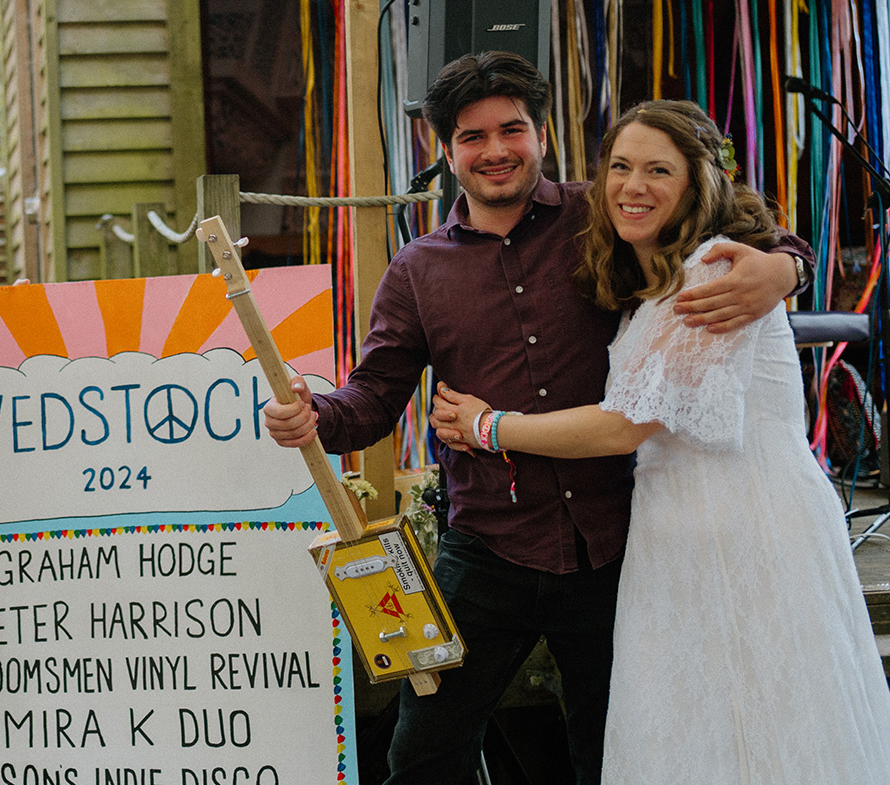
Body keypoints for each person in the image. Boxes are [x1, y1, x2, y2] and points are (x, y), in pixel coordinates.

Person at [261, 52, 813, 785]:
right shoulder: (418, 270)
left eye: (511, 128)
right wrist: (314, 416)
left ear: (542, 133)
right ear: (445, 151)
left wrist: (789, 266)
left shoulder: (607, 211)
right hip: (487, 546)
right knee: (423, 753)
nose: (495, 150)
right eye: (471, 136)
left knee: (616, 751)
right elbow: (372, 400)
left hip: (619, 544)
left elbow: (733, 224)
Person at [432, 99, 890, 784]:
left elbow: (624, 424)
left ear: (696, 183)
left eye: (657, 170)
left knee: (758, 727)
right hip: (675, 536)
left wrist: (489, 426)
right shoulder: (651, 279)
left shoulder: (711, 272)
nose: (631, 186)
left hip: (742, 533)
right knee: (695, 729)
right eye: (619, 167)